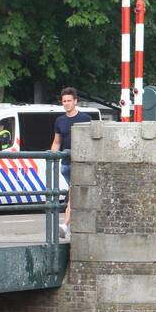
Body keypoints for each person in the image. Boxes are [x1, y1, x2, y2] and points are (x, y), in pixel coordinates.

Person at [51, 87, 92, 240]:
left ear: (75, 101)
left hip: (80, 164)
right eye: (64, 101)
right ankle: (73, 225)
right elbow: (56, 142)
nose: (66, 104)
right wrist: (52, 158)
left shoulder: (85, 119)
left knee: (73, 192)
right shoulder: (59, 121)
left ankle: (65, 224)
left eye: (69, 101)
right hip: (65, 165)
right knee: (74, 193)